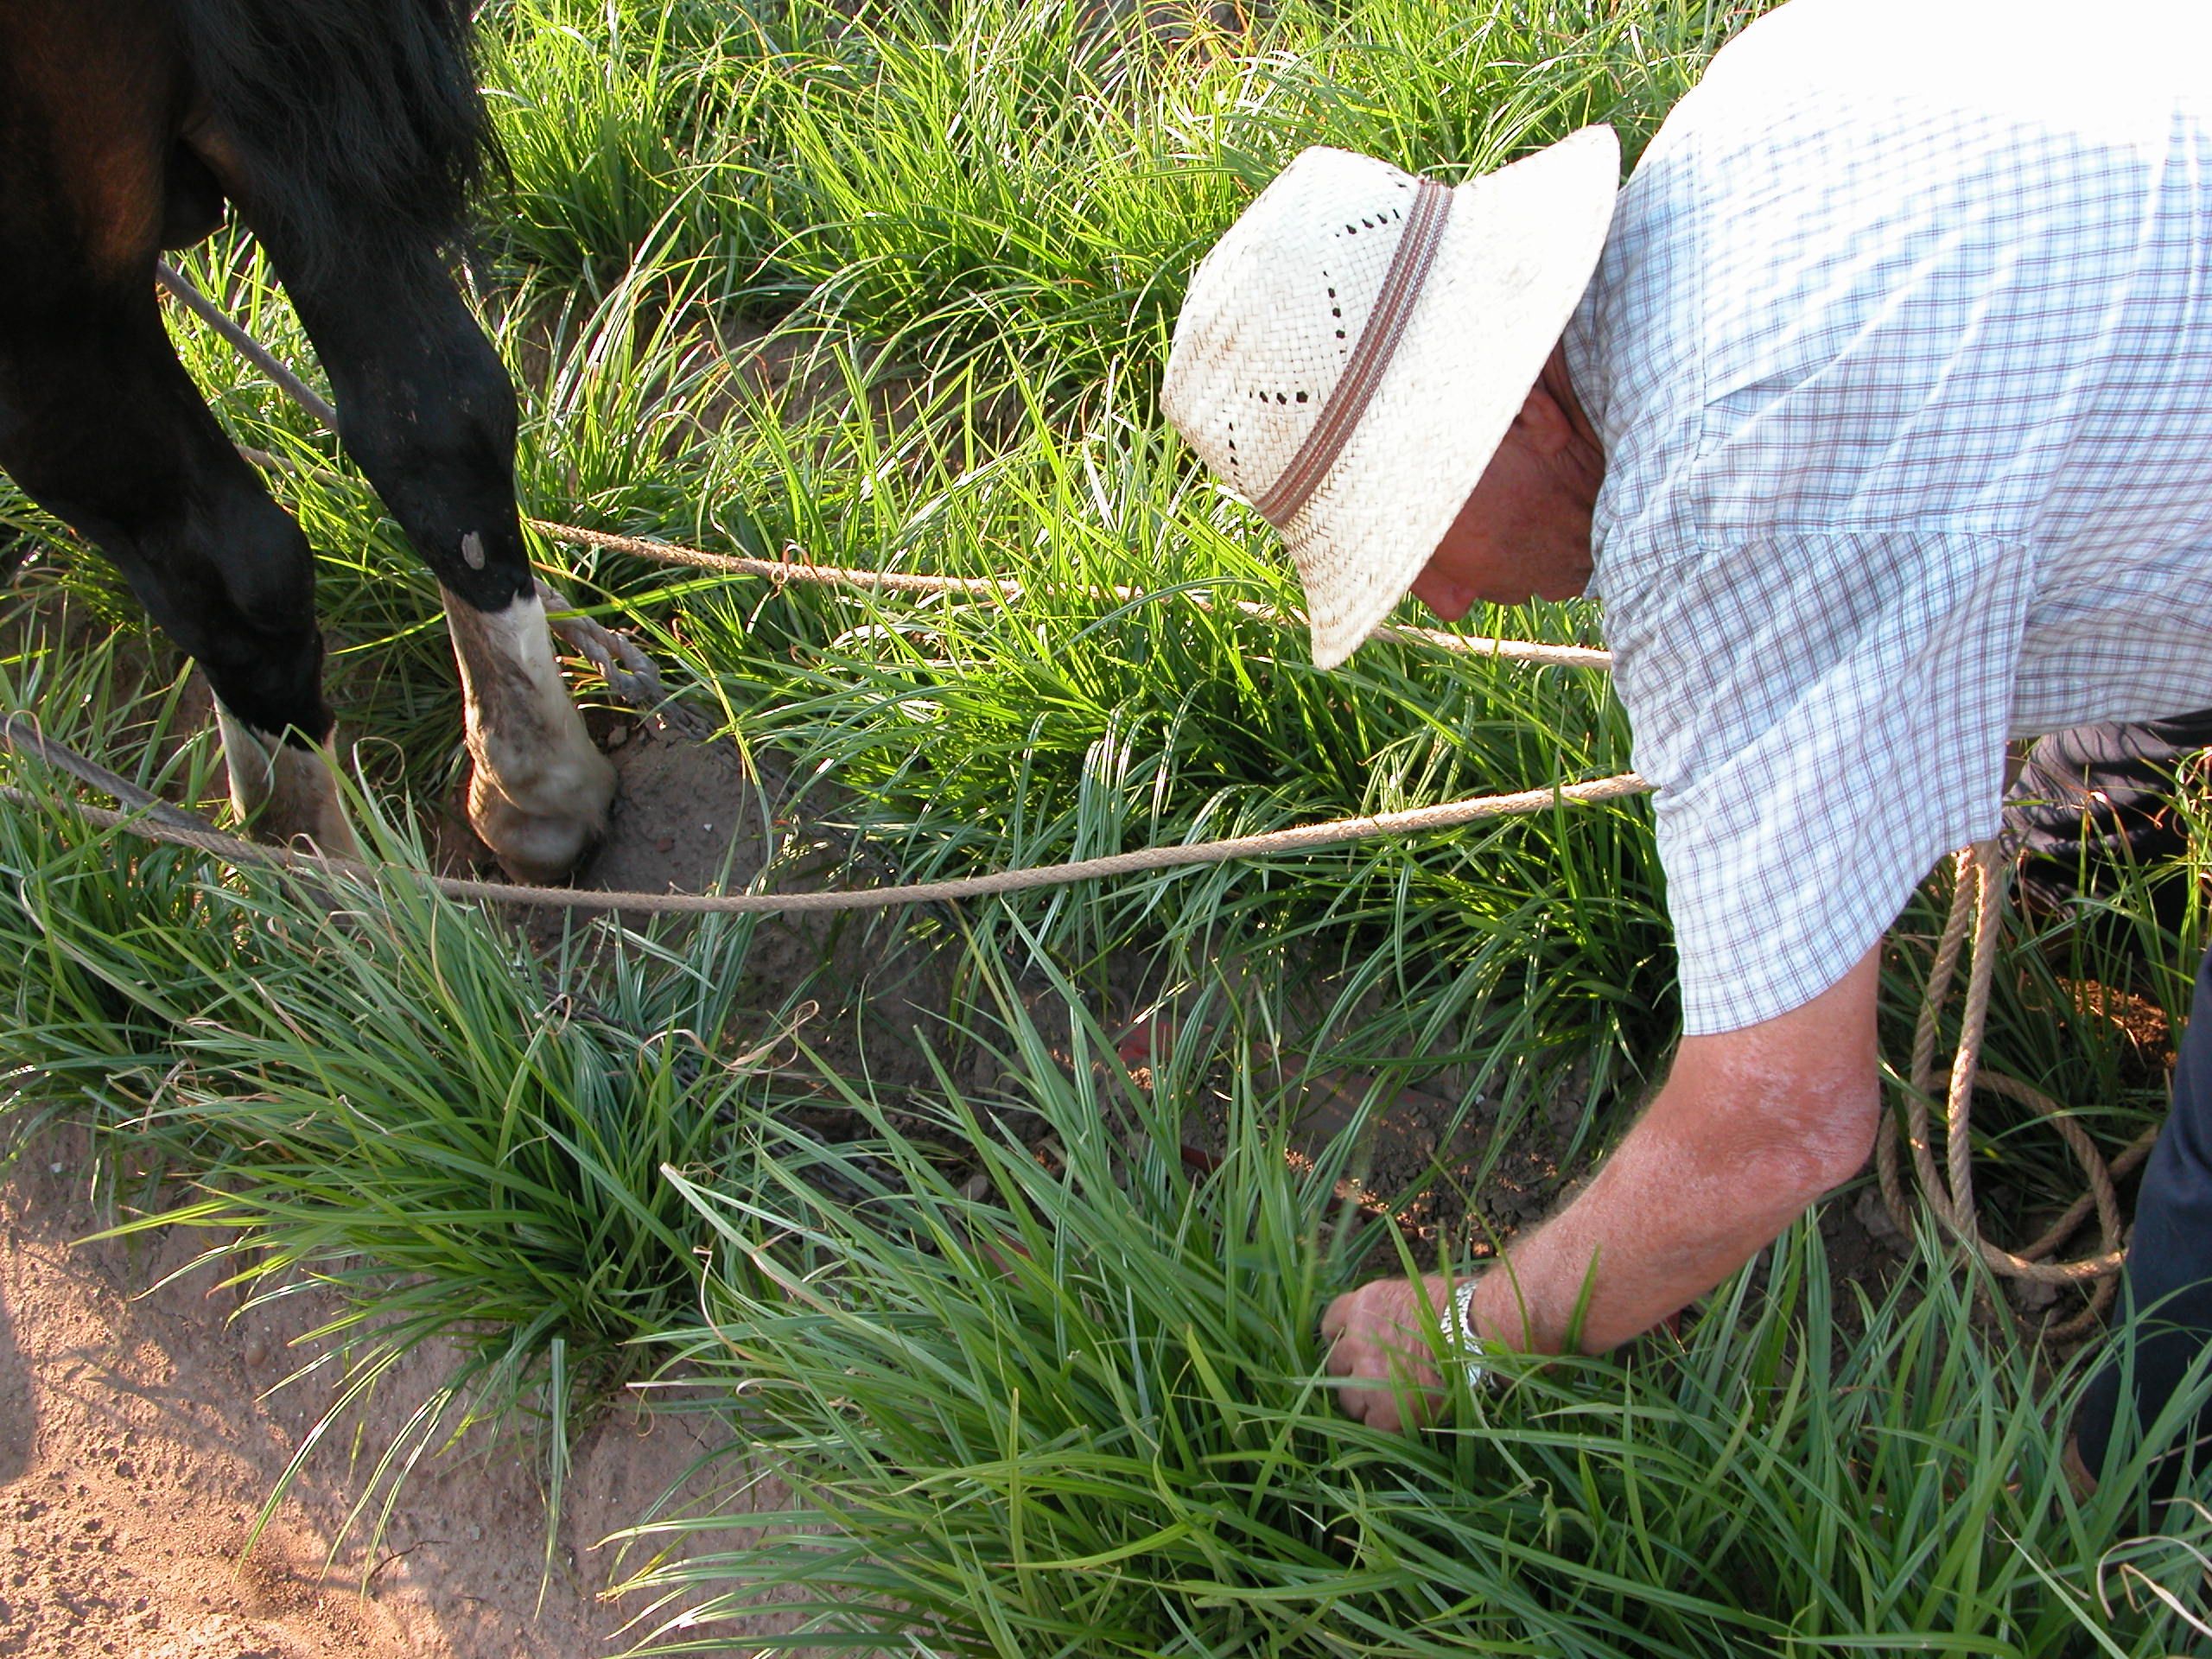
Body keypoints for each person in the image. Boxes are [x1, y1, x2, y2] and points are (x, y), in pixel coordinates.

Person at [1159, 0, 2212, 1490]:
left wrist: (1469, 1331)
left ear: (1517, 411)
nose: (1445, 603)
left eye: (1416, 536)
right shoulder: (1750, 110)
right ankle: (2100, 814)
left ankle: (2134, 1527)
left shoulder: (1723, 504)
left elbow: (1784, 1127)